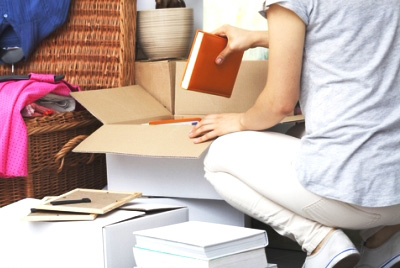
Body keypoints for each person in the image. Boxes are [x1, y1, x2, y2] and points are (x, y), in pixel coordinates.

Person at [189, 1, 400, 267]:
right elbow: (349, 34)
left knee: (218, 157)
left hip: (358, 195)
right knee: (299, 131)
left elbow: (279, 104)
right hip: (395, 188)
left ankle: (320, 241)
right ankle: (384, 239)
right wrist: (258, 38)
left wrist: (240, 120)